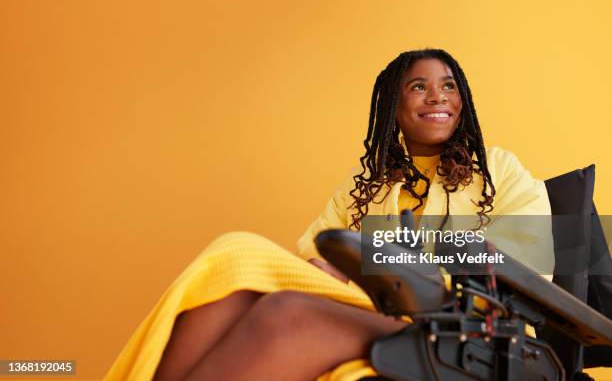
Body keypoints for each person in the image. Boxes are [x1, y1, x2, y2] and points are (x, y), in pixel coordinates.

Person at [104, 49, 553, 381]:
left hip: (463, 329)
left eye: (449, 85)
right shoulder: (370, 188)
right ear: (392, 107)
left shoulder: (497, 171)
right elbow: (312, 259)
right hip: (373, 310)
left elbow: (529, 268)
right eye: (418, 85)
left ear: (462, 100)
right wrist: (342, 270)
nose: (437, 95)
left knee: (288, 313)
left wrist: (386, 268)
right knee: (234, 255)